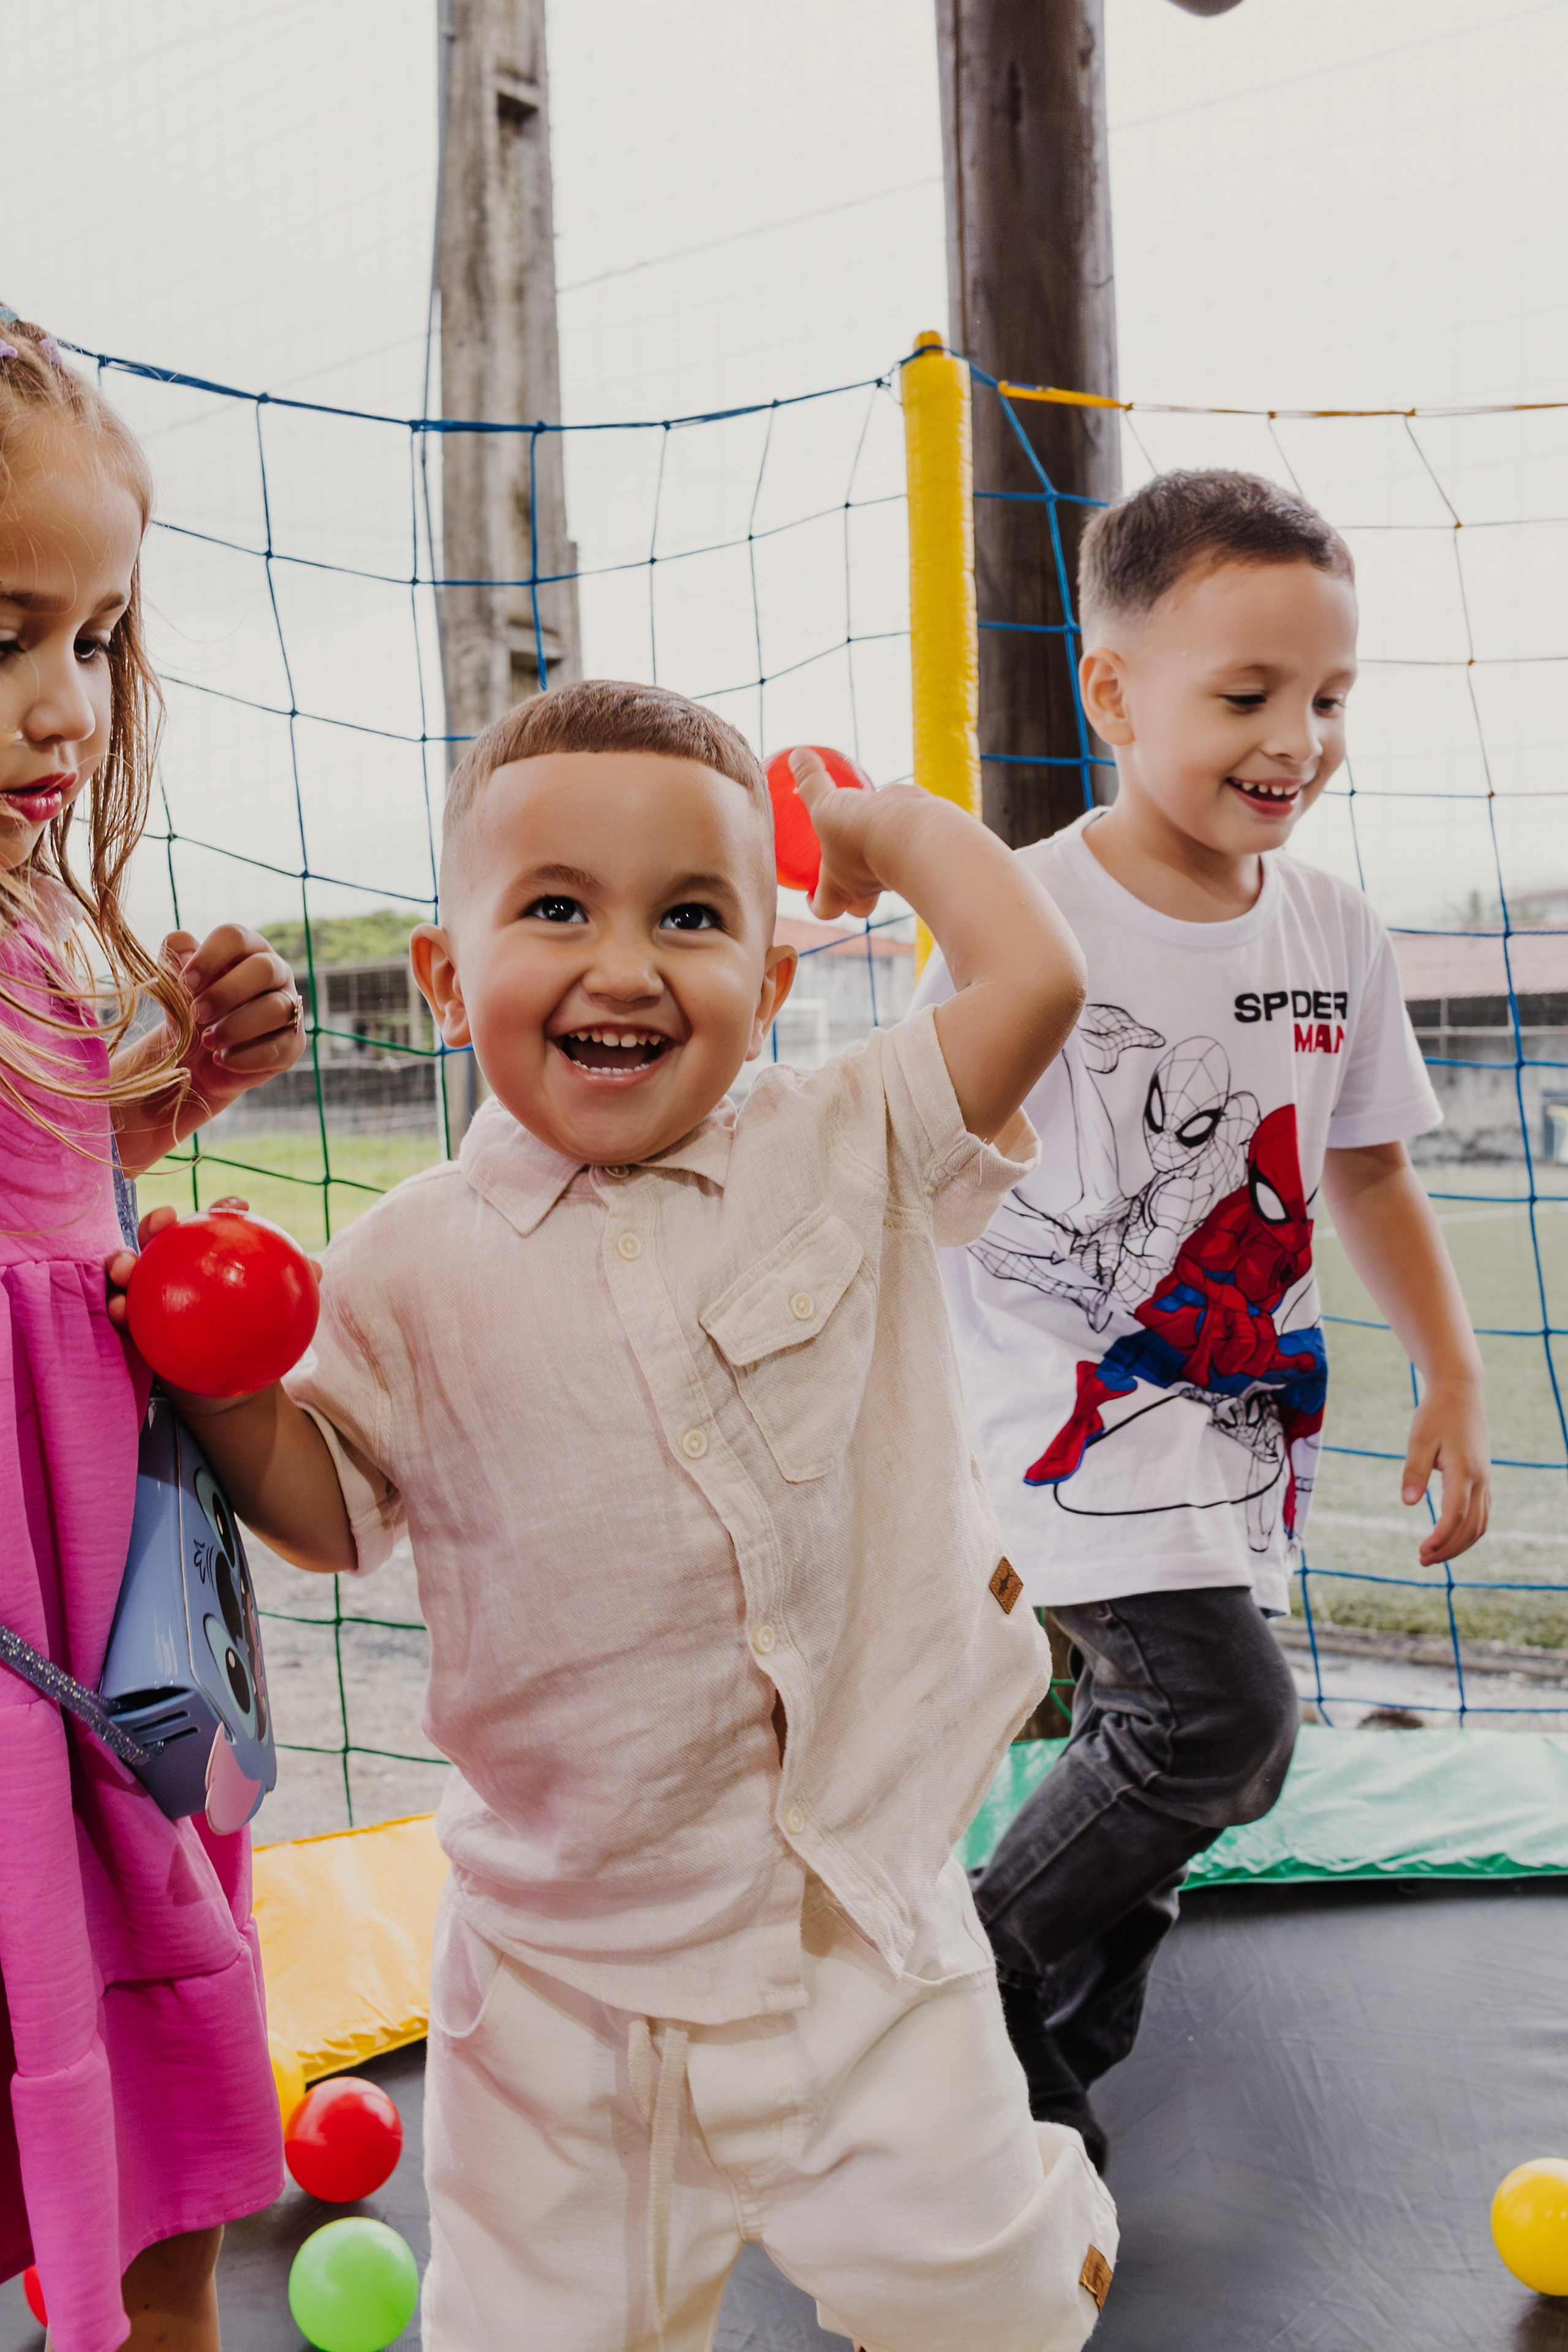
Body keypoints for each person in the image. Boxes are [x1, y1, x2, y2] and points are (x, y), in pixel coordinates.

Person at [148, 676, 1123, 2352]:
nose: (621, 963)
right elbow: (327, 1511)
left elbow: (1036, 977)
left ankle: (1050, 2227)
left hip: (855, 1932)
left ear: (770, 974)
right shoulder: (407, 1265)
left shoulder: (848, 1139)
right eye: (554, 909)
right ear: (447, 981)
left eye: (689, 915)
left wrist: (887, 830)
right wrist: (225, 1379)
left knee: (992, 2306)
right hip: (562, 1979)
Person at [911, 469, 1491, 2170]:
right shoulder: (1030, 919)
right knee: (1218, 1723)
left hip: (1244, 1421)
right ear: (1115, 692)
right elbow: (914, 1153)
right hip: (1061, 1416)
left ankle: (1043, 2067)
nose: (1296, 738)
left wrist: (1450, 1369)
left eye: (1328, 699)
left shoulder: (1333, 927)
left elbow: (1367, 1170)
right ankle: (965, 1989)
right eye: (1247, 696)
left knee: (1207, 1772)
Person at [0, 310, 308, 2352]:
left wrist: (151, 1111)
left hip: (105, 1623)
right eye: (5, 632)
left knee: (159, 2158)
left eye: (96, 640)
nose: (64, 709)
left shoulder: (34, 925)